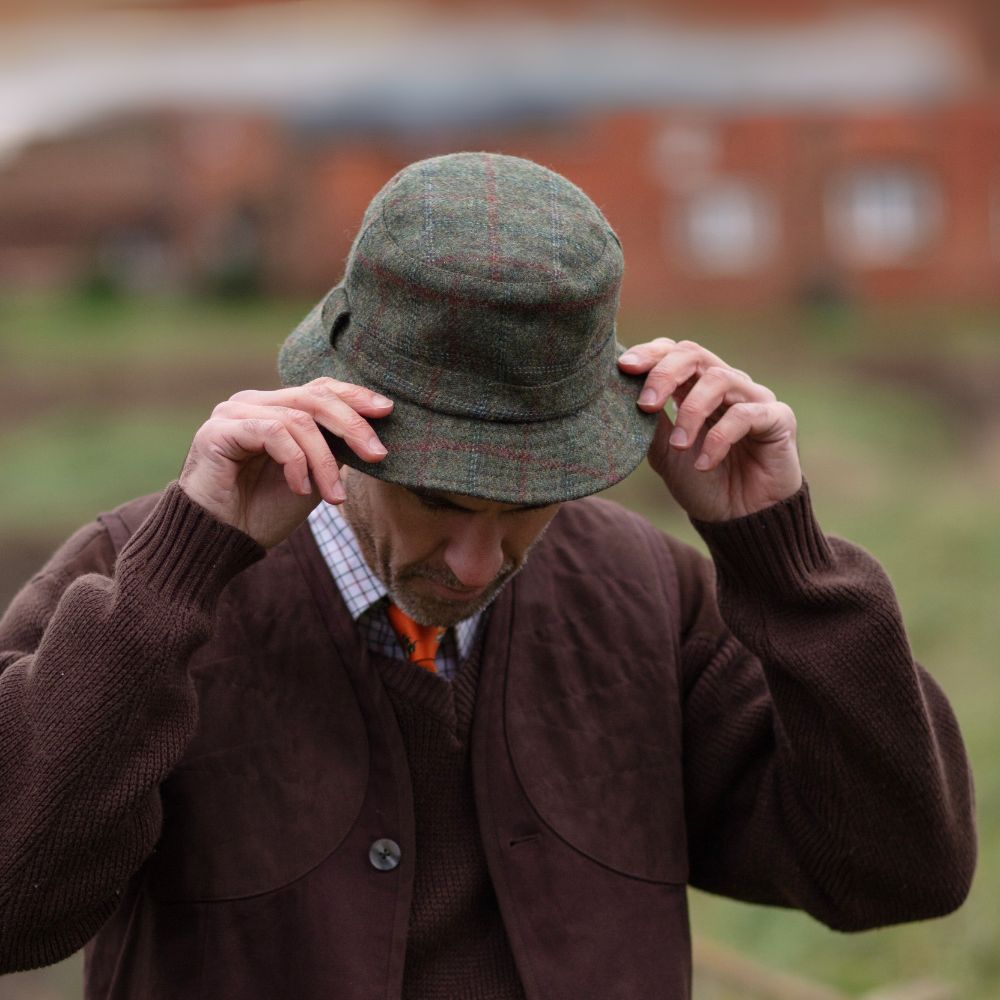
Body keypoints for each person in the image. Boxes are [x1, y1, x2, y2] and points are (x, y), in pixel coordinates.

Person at [0, 152, 975, 1000]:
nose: (476, 564)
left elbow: (895, 872)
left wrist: (783, 555)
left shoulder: (654, 601)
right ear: (345, 416)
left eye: (526, 508)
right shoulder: (141, 586)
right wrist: (176, 581)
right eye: (443, 504)